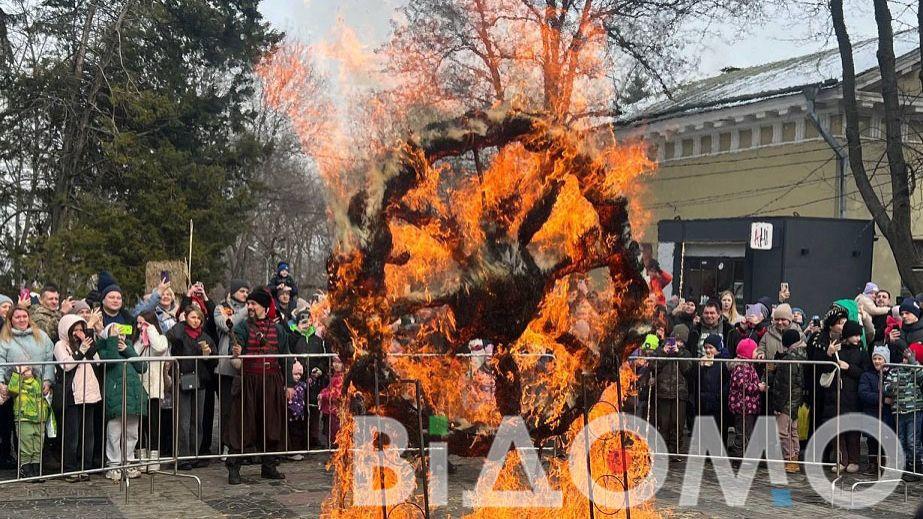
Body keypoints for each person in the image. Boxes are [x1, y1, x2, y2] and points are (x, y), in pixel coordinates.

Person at [224, 288, 294, 484]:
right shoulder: (242, 328)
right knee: (243, 425)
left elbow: (286, 357)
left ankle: (269, 466)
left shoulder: (279, 330)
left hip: (271, 381)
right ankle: (234, 467)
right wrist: (236, 351)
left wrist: (289, 384)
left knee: (271, 425)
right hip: (249, 382)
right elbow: (236, 349)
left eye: (254, 304)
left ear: (264, 306)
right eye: (249, 304)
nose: (250, 307)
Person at [0, 305, 55, 480]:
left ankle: (36, 465)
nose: (22, 319)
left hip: (37, 388)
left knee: (37, 430)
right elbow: (0, 360)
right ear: (11, 320)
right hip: (14, 389)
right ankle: (23, 465)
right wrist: (0, 382)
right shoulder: (5, 339)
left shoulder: (42, 336)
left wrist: (47, 380)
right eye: (17, 317)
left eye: (24, 316)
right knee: (20, 428)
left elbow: (49, 359)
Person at [53, 313, 103, 481]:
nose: (78, 333)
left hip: (90, 393)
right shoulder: (61, 345)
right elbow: (66, 365)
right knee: (72, 434)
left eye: (81, 330)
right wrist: (80, 351)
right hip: (72, 395)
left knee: (88, 434)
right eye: (74, 330)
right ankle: (69, 468)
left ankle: (85, 466)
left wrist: (88, 343)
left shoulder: (85, 344)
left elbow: (98, 360)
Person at [96, 321, 148, 481]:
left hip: (133, 396)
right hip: (115, 396)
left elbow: (142, 367)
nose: (120, 336)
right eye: (116, 332)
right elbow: (110, 359)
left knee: (132, 432)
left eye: (122, 332)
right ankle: (114, 464)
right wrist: (110, 340)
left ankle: (129, 461)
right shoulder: (104, 350)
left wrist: (128, 349)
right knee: (114, 433)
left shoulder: (127, 350)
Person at [166, 307, 215, 470]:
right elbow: (171, 336)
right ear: (186, 318)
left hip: (200, 381)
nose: (196, 321)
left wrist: (208, 354)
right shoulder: (180, 332)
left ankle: (194, 454)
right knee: (183, 421)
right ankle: (182, 456)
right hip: (182, 379)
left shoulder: (205, 337)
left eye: (199, 318)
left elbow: (214, 361)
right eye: (193, 317)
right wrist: (181, 322)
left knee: (197, 421)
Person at [823, 320, 868, 473]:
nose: (857, 338)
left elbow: (864, 373)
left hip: (853, 396)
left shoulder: (862, 353)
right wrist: (829, 354)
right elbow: (827, 369)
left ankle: (854, 460)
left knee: (853, 431)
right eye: (854, 335)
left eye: (858, 335)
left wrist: (849, 368)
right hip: (837, 395)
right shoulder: (838, 350)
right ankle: (841, 459)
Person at [213, 279, 250, 459]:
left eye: (247, 292)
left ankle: (244, 445)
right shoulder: (221, 307)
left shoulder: (252, 309)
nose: (245, 295)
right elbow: (227, 324)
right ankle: (226, 445)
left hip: (247, 367)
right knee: (227, 410)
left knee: (245, 409)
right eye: (242, 291)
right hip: (226, 367)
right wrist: (245, 311)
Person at [134, 311, 169, 472]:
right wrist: (141, 339)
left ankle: (154, 456)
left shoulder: (160, 338)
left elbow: (160, 347)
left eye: (144, 323)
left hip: (154, 388)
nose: (141, 327)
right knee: (139, 423)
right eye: (139, 324)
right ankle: (141, 455)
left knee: (154, 423)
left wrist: (151, 331)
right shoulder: (137, 341)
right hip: (138, 388)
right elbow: (133, 355)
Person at [652, 324, 692, 460]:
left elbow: (687, 369)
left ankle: (674, 452)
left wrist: (678, 353)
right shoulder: (660, 350)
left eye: (681, 341)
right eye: (675, 340)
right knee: (664, 424)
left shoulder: (686, 353)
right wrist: (664, 352)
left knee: (677, 424)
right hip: (663, 392)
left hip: (679, 393)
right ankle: (663, 451)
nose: (677, 343)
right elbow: (653, 366)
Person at [884, 345, 923, 482]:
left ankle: (917, 467)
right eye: (905, 358)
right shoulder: (895, 370)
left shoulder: (917, 370)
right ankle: (904, 467)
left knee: (913, 441)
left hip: (914, 411)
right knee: (901, 440)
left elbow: (921, 376)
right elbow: (885, 387)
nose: (906, 361)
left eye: (909, 358)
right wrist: (891, 387)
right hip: (898, 411)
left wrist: (914, 363)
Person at [770, 329, 806, 474]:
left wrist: (778, 404)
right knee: (793, 430)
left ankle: (789, 459)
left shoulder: (789, 359)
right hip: (796, 400)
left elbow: (784, 384)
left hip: (787, 401)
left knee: (782, 431)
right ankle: (794, 457)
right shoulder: (803, 354)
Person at [858, 345, 894, 476]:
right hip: (871, 413)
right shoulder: (867, 375)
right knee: (872, 441)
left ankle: (884, 463)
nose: (877, 361)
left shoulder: (891, 374)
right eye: (875, 358)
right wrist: (882, 399)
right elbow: (863, 393)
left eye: (880, 358)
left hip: (886, 415)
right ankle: (872, 463)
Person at [727, 338, 765, 456]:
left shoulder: (747, 365)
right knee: (743, 434)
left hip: (747, 406)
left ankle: (743, 455)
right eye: (755, 351)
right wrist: (758, 387)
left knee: (746, 432)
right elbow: (743, 385)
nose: (757, 353)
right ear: (748, 353)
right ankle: (739, 457)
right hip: (743, 407)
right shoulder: (741, 367)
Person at [692, 334, 730, 449]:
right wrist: (700, 367)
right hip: (704, 400)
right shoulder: (702, 362)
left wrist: (720, 396)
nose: (708, 350)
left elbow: (726, 381)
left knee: (719, 427)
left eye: (711, 348)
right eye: (706, 347)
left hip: (718, 401)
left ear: (717, 348)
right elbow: (696, 379)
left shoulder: (723, 362)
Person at [96, 271, 166, 327]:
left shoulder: (128, 317)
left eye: (119, 298)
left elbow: (144, 310)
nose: (115, 300)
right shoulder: (95, 318)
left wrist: (159, 293)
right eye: (111, 297)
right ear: (103, 300)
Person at [757, 304, 804, 369]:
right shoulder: (768, 334)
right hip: (771, 375)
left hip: (791, 375)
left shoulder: (799, 334)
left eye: (783, 319)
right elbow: (761, 347)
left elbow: (803, 355)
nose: (779, 322)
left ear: (789, 320)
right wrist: (761, 354)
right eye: (777, 319)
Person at [0, 294, 15, 469]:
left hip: (9, 380)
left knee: (6, 423)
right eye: (4, 306)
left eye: (8, 307)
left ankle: (5, 454)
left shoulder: (10, 328)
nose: (6, 310)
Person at [888, 298, 923, 363]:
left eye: (907, 313)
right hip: (899, 370)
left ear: (916, 314)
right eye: (901, 314)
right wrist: (891, 342)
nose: (904, 316)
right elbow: (891, 358)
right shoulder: (898, 331)